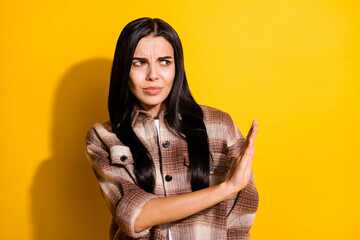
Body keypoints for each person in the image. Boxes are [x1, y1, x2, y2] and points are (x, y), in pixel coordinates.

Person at [85, 17, 259, 240]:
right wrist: (226, 188)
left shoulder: (220, 126)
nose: (153, 75)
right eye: (139, 62)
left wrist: (234, 188)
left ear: (177, 67)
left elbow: (239, 223)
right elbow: (135, 216)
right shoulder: (103, 137)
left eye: (164, 61)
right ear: (123, 69)